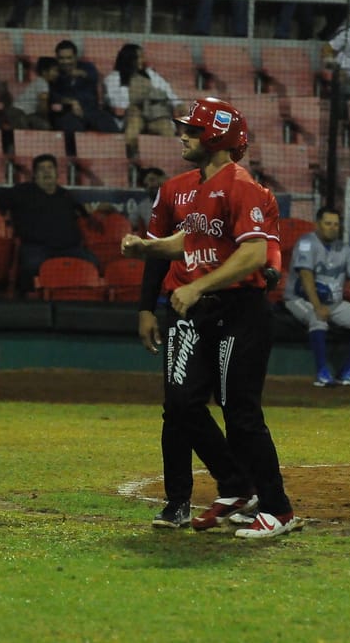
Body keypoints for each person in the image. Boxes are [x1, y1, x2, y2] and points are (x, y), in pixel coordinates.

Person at [120, 97, 300, 538]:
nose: (183, 134)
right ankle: (238, 487)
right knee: (186, 405)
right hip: (210, 313)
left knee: (240, 413)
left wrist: (197, 285)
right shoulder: (203, 188)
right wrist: (149, 249)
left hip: (241, 310)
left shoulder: (239, 185)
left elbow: (256, 252)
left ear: (216, 137)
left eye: (193, 129)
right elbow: (191, 240)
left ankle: (277, 508)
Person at [0, 153, 99, 294]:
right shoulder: (21, 192)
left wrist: (103, 209)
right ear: (35, 174)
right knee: (31, 266)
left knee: (92, 262)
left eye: (50, 168)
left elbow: (89, 209)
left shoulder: (66, 195)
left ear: (56, 173)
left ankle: (79, 296)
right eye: (42, 169)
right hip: (38, 249)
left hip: (70, 249)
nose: (47, 172)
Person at [284, 207, 350, 388]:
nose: (333, 228)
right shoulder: (307, 243)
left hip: (333, 303)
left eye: (336, 224)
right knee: (318, 318)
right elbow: (305, 275)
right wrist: (317, 306)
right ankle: (322, 371)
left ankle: (348, 371)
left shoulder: (344, 248)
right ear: (318, 225)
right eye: (328, 224)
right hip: (299, 299)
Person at [104, 43, 183, 156]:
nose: (144, 60)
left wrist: (178, 104)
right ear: (130, 59)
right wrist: (141, 98)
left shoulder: (150, 75)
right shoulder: (113, 78)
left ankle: (168, 161)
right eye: (140, 57)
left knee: (166, 128)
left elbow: (168, 92)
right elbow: (116, 103)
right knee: (133, 124)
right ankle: (133, 162)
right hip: (131, 115)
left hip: (153, 115)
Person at [50, 39, 117, 132]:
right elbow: (53, 97)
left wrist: (81, 74)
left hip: (91, 111)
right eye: (62, 58)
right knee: (72, 127)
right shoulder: (54, 74)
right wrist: (71, 102)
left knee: (108, 123)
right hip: (67, 113)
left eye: (69, 58)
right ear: (57, 58)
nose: (65, 62)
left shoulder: (88, 67)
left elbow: (94, 77)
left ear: (75, 57)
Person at [7, 56, 56, 131]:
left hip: (24, 113)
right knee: (26, 134)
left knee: (44, 126)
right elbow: (43, 106)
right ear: (44, 72)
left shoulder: (38, 81)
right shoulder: (43, 83)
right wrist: (47, 118)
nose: (57, 73)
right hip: (18, 113)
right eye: (55, 70)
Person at [127, 165, 165, 234]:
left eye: (152, 180)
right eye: (146, 185)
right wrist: (113, 210)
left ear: (164, 179)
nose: (150, 186)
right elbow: (130, 223)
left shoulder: (178, 199)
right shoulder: (143, 207)